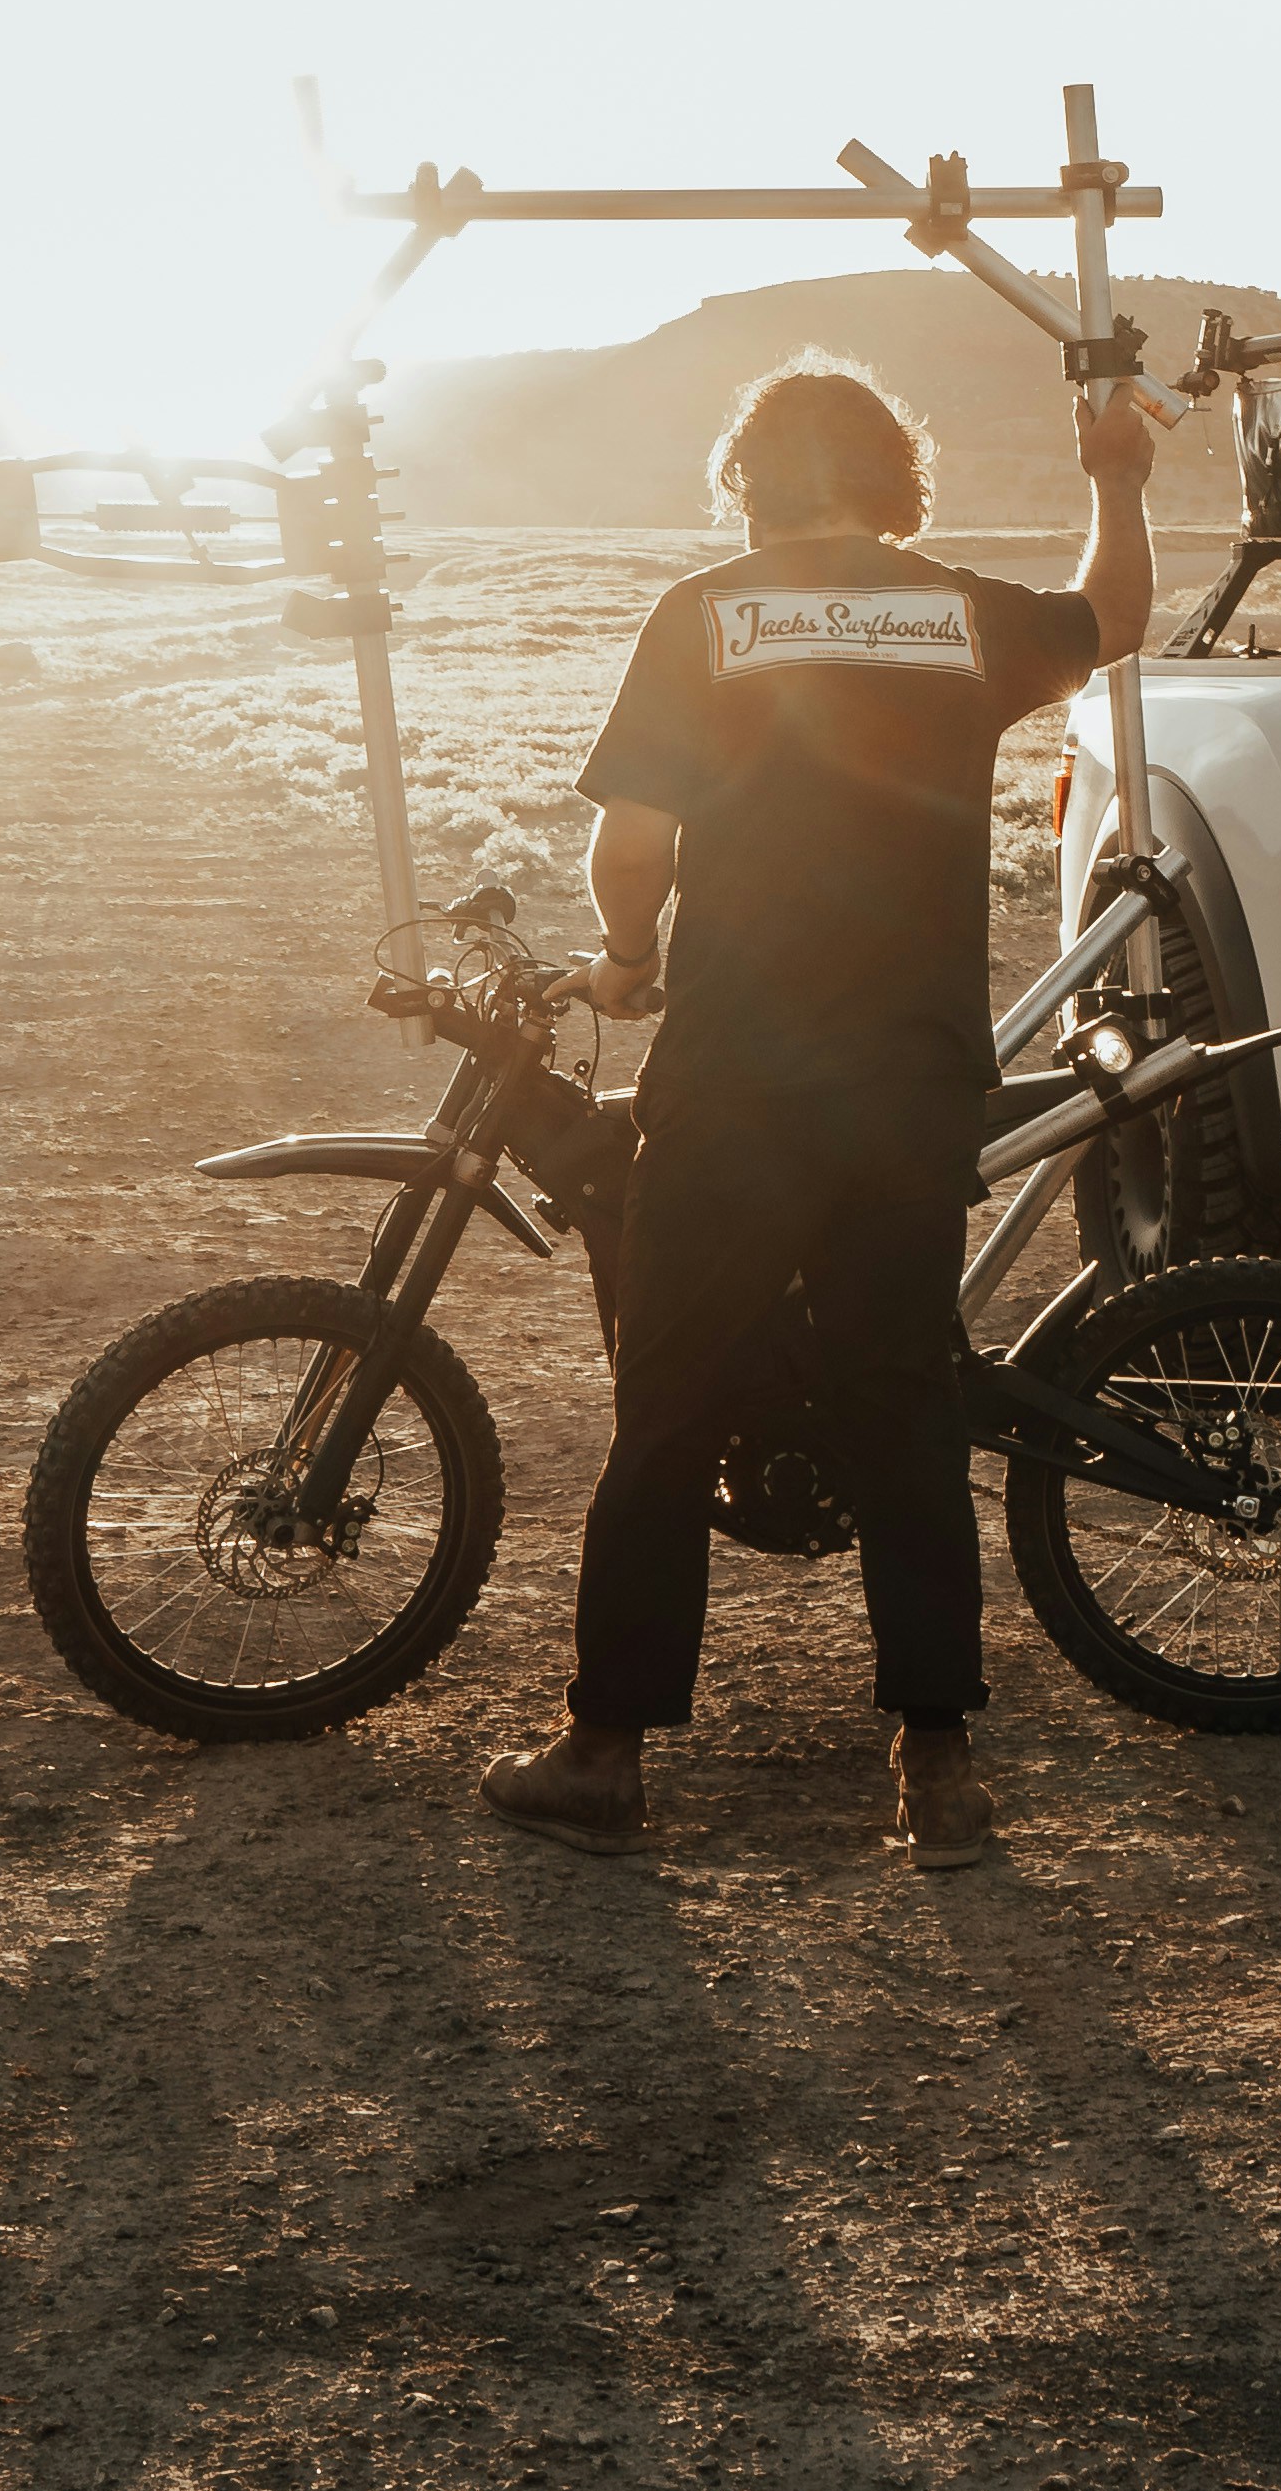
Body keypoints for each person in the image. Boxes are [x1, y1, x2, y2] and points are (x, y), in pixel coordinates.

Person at [479, 359, 1157, 1863]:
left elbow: (635, 841)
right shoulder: (959, 614)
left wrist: (632, 959)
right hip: (907, 1078)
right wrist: (1113, 471)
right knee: (900, 1400)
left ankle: (606, 1754)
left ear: (750, 482)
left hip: (734, 1076)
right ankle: (938, 1770)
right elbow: (1114, 616)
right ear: (892, 480)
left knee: (669, 1407)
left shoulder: (705, 616)